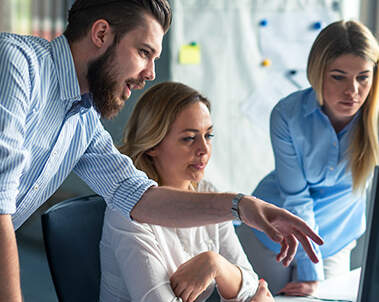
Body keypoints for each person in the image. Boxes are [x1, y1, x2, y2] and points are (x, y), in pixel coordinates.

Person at [0, 0, 323, 302]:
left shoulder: (81, 118)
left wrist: (244, 206)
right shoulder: (10, 67)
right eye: (143, 52)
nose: (150, 73)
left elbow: (141, 197)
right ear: (100, 34)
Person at [237, 20, 379, 296]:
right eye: (338, 76)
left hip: (335, 240)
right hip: (271, 235)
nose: (352, 91)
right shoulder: (287, 114)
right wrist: (310, 273)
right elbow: (296, 198)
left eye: (363, 77)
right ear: (318, 73)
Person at [99, 82, 274, 302]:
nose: (204, 149)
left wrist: (216, 264)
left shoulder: (209, 194)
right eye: (189, 138)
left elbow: (250, 286)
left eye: (208, 136)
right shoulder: (128, 210)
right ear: (153, 144)